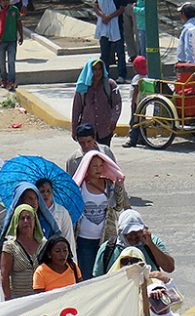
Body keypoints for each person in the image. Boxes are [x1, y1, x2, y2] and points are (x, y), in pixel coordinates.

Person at [72, 150, 128, 280]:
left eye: (101, 165)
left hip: (106, 240)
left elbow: (118, 206)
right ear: (87, 167)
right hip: (84, 240)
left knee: (105, 277)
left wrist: (119, 186)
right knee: (86, 277)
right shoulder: (79, 186)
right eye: (94, 166)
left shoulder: (109, 185)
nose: (98, 169)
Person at [92, 208, 175, 277]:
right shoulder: (108, 249)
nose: (133, 237)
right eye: (129, 233)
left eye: (136, 232)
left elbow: (169, 268)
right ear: (121, 232)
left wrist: (151, 245)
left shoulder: (152, 242)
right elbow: (98, 279)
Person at [72, 59, 122, 147]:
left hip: (105, 128)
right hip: (87, 130)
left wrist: (114, 120)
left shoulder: (110, 85)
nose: (97, 72)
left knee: (103, 156)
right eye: (94, 69)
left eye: (100, 69)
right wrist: (74, 128)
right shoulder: (82, 88)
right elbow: (76, 109)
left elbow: (117, 104)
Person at [0, 204, 42, 300]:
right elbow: (4, 275)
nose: (26, 221)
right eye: (22, 218)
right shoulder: (9, 246)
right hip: (18, 301)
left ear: (35, 221)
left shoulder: (43, 244)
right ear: (16, 222)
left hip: (41, 300)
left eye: (29, 218)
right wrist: (8, 298)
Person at [0, 0, 23, 89]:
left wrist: (21, 35)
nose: (5, 3)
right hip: (1, 40)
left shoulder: (14, 10)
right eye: (3, 1)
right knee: (1, 62)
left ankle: (12, 81)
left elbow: (19, 23)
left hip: (12, 39)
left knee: (11, 61)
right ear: (0, 2)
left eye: (6, 1)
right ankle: (4, 80)